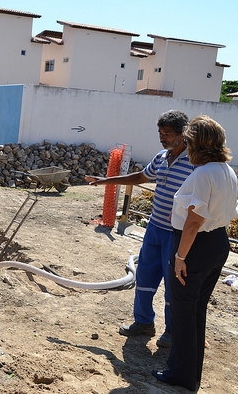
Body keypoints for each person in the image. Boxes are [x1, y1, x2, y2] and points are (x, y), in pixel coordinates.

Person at [85, 110, 195, 348]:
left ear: (183, 133)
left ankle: (172, 331)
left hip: (177, 233)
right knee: (145, 276)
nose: (162, 138)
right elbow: (140, 177)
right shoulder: (161, 158)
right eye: (160, 133)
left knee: (173, 283)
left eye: (167, 133)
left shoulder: (196, 162)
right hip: (155, 228)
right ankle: (143, 322)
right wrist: (106, 181)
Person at [151, 115, 238, 391]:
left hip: (196, 247)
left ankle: (180, 374)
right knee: (195, 310)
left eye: (189, 142)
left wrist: (180, 258)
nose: (186, 147)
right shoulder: (226, 170)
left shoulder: (203, 174)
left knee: (183, 311)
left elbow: (193, 221)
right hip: (217, 243)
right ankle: (191, 372)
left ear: (197, 145)